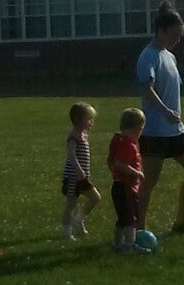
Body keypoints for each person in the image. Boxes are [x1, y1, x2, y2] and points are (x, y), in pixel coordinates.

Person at [136, 0, 184, 235]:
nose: (178, 40)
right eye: (174, 34)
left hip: (176, 129)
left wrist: (174, 117)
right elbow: (147, 89)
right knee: (149, 182)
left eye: (180, 35)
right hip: (154, 131)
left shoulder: (169, 56)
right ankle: (139, 230)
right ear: (161, 31)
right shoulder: (148, 55)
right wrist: (166, 112)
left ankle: (181, 223)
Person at [107, 107, 146, 253]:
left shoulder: (118, 141)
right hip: (126, 187)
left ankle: (117, 244)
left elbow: (112, 162)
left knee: (122, 218)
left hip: (117, 185)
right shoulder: (127, 145)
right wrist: (137, 173)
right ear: (136, 128)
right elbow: (119, 164)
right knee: (131, 218)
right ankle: (130, 245)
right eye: (141, 129)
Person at [61, 102, 101, 240]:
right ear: (79, 120)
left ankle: (78, 220)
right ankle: (67, 232)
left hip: (82, 177)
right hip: (73, 176)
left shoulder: (84, 135)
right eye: (89, 119)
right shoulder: (74, 136)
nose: (92, 122)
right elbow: (71, 155)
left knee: (95, 198)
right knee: (70, 204)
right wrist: (78, 170)